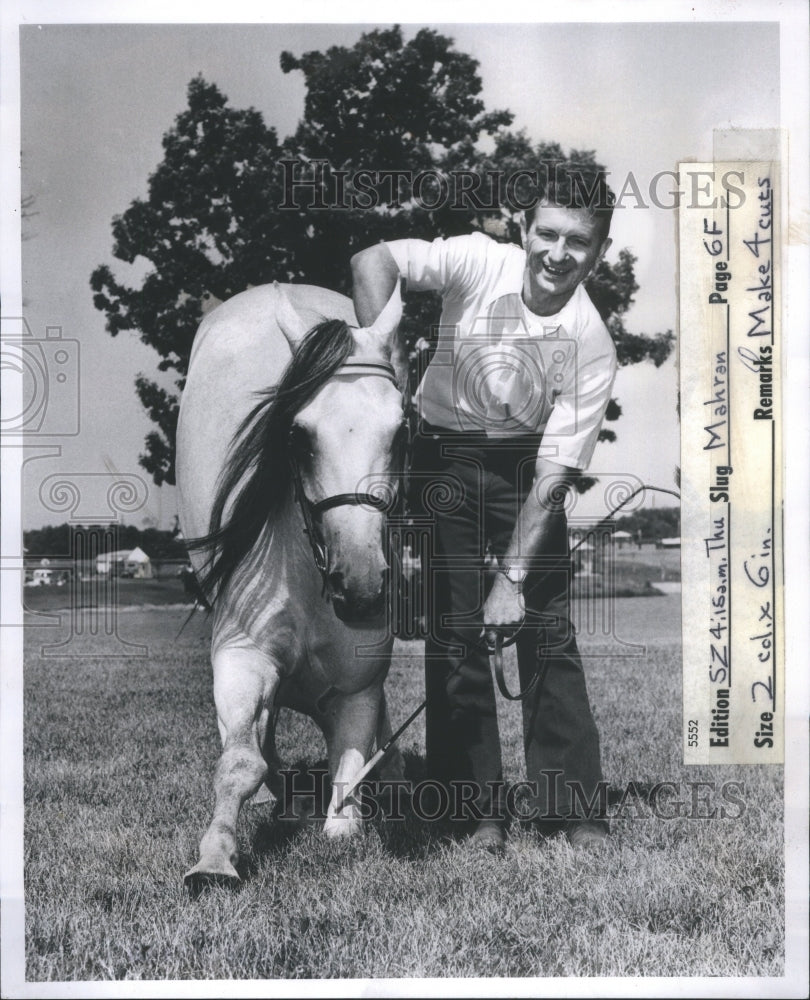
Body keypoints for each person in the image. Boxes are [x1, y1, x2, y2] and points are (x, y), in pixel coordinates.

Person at [351, 168, 617, 852]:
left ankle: (573, 812)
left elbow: (554, 480)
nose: (559, 254)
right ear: (524, 230)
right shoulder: (475, 258)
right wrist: (385, 364)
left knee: (547, 632)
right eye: (548, 233)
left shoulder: (592, 344)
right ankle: (473, 813)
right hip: (444, 458)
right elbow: (372, 259)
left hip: (529, 468)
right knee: (456, 634)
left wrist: (515, 580)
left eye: (578, 242)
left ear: (599, 250)